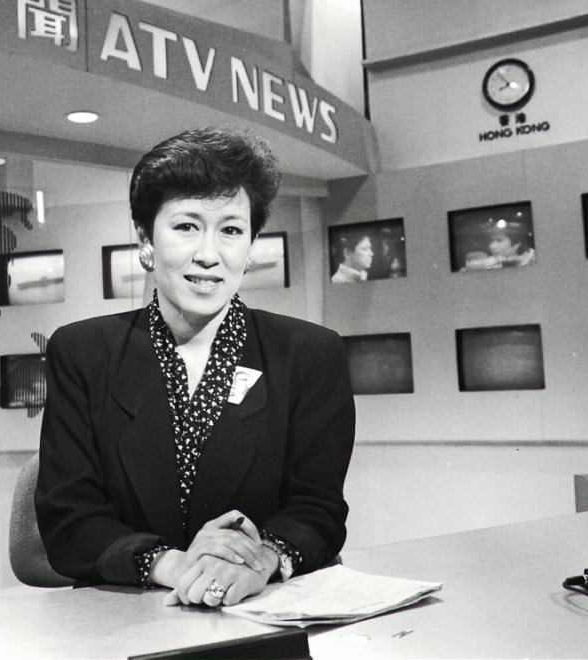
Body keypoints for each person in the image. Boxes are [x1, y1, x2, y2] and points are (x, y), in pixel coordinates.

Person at [35, 127, 355, 608]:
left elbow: (318, 509)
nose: (208, 254)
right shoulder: (82, 352)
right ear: (146, 239)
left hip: (258, 608)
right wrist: (175, 565)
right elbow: (68, 518)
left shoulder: (310, 353)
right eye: (186, 227)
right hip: (124, 611)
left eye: (231, 230)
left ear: (251, 246)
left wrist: (259, 560)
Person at [462, 219, 535, 271]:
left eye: (499, 240)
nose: (491, 246)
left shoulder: (532, 260)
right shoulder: (482, 262)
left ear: (517, 244)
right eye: (491, 241)